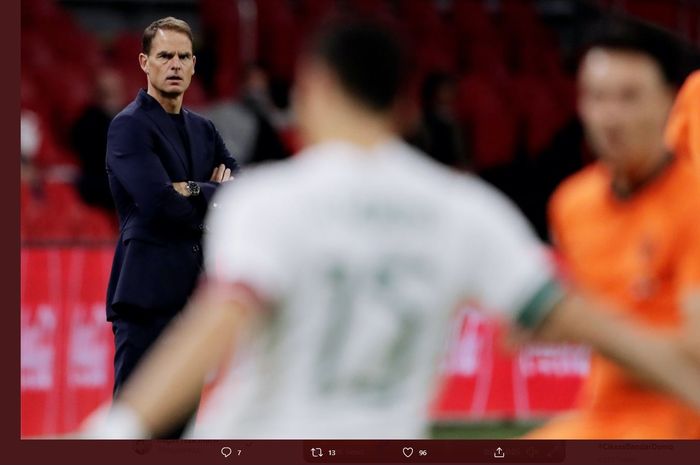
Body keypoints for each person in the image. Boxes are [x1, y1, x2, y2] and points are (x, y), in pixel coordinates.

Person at [86, 20, 700, 440]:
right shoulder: (466, 211)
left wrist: (112, 431)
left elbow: (216, 326)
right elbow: (589, 325)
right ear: (409, 106)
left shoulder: (270, 203)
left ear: (314, 91)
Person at [527, 22, 700, 439]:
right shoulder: (572, 204)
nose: (611, 117)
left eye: (629, 98)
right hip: (603, 415)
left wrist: (582, 324)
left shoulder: (691, 203)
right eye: (597, 98)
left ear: (665, 102)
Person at [104, 17, 239, 438]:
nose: (175, 64)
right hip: (145, 301)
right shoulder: (128, 126)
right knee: (137, 431)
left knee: (180, 433)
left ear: (195, 65)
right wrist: (213, 191)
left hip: (192, 303)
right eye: (165, 56)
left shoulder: (204, 128)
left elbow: (240, 193)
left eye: (183, 56)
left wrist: (192, 190)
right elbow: (159, 203)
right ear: (145, 62)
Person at [70, 68, 126, 212]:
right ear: (96, 93)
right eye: (106, 92)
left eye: (114, 91)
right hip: (100, 183)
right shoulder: (87, 122)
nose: (112, 97)